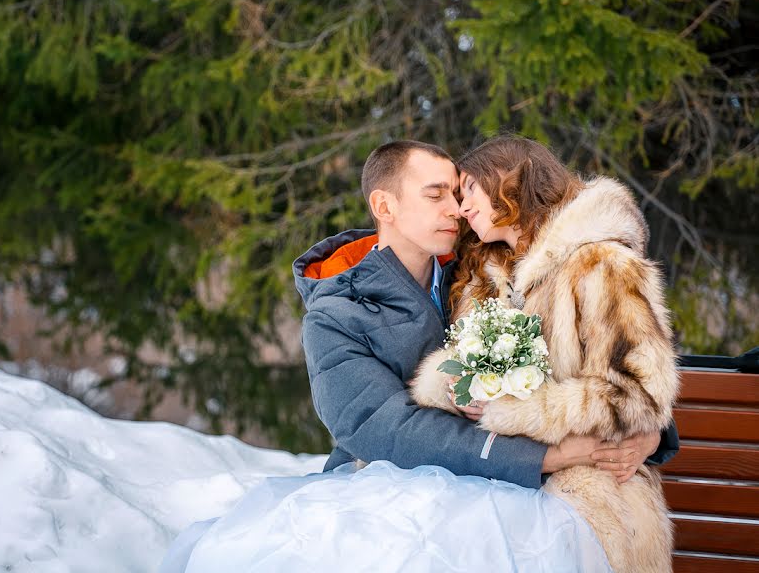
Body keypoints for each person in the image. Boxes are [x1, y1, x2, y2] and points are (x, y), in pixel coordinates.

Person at [159, 139, 676, 572]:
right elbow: (377, 425)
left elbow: (622, 363)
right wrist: (547, 455)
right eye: (436, 196)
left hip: (512, 484)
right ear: (385, 207)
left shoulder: (479, 267)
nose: (456, 209)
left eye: (458, 194)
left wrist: (650, 433)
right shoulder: (338, 312)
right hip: (402, 476)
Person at [411, 135, 679, 572]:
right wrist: (455, 387)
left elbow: (641, 393)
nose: (462, 208)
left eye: (470, 189)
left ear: (508, 181)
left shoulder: (602, 263)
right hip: (500, 466)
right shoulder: (485, 273)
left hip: (592, 472)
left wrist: (521, 411)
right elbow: (462, 361)